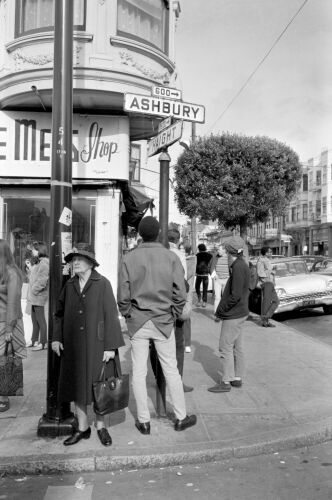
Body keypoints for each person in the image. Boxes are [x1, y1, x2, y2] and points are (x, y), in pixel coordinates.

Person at [118, 216, 197, 434]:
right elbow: (181, 292)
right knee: (171, 370)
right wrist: (172, 312)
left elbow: (122, 295)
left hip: (139, 321)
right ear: (159, 233)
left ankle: (143, 421)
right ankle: (181, 417)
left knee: (139, 372)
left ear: (140, 234)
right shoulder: (170, 257)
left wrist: (128, 315)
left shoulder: (129, 258)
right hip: (163, 321)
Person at [52, 245, 125, 447]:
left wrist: (111, 347)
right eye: (73, 259)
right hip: (73, 346)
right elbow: (59, 313)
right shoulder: (69, 284)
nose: (75, 262)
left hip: (98, 344)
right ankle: (83, 428)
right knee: (78, 387)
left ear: (91, 262)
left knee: (99, 386)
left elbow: (111, 315)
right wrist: (56, 338)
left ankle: (101, 426)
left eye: (80, 259)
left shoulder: (103, 283)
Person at [208, 236, 250, 393]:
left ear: (228, 251)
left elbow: (235, 294)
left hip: (234, 313)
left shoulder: (238, 266)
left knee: (225, 346)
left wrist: (221, 310)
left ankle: (226, 381)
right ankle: (237, 378)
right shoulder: (241, 264)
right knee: (237, 346)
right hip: (241, 311)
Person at [0, 239, 27, 412]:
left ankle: (3, 396)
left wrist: (9, 328)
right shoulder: (3, 272)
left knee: (4, 360)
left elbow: (13, 303)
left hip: (6, 322)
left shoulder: (12, 273)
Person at [168, 229, 193, 392]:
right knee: (177, 345)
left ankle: (162, 381)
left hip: (158, 306)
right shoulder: (178, 254)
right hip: (175, 305)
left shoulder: (160, 252)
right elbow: (182, 282)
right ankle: (178, 382)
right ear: (178, 240)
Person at [27, 241, 49, 350]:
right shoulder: (38, 262)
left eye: (34, 250)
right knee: (34, 320)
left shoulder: (44, 263)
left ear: (39, 250)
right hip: (34, 296)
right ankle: (34, 341)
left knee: (40, 320)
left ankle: (43, 343)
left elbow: (42, 281)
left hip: (38, 296)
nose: (32, 252)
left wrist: (33, 291)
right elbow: (35, 278)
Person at [256, 246, 279, 328]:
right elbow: (260, 273)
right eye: (268, 252)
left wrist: (273, 271)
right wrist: (271, 271)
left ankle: (266, 317)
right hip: (266, 283)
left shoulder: (268, 260)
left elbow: (268, 272)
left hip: (271, 283)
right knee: (266, 303)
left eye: (271, 252)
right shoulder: (261, 260)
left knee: (276, 301)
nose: (270, 253)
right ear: (264, 252)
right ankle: (265, 321)